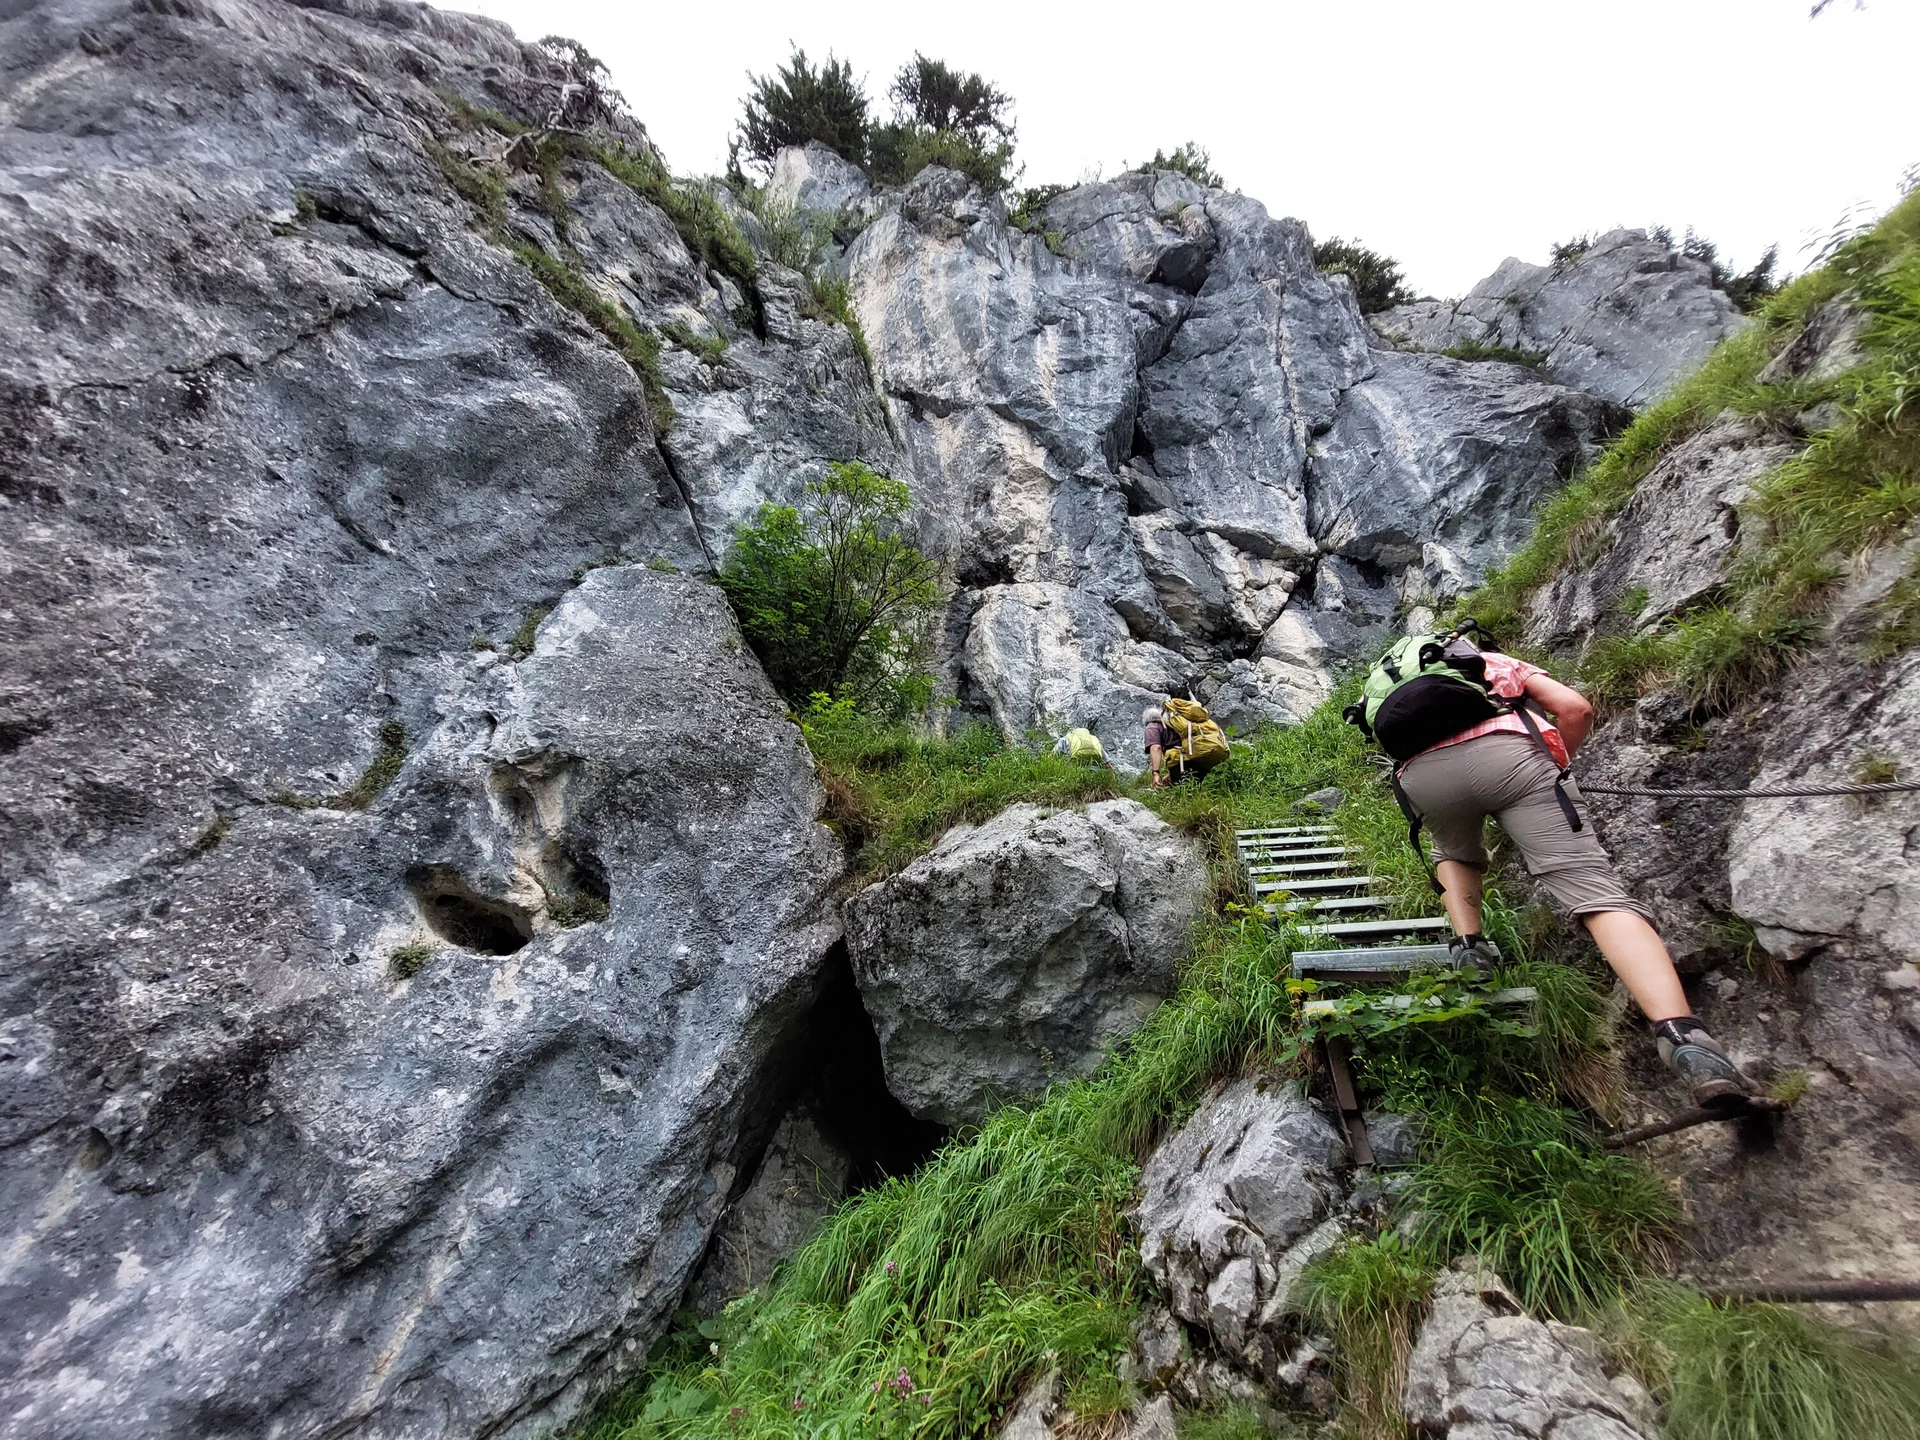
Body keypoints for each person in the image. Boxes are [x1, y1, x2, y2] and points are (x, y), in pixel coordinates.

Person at [1393, 649, 1759, 1112]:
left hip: (1423, 776)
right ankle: (1685, 1038)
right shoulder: (1489, 661)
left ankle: (1470, 947)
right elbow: (1575, 708)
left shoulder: (1395, 683)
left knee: (1452, 851)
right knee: (1595, 894)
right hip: (1510, 759)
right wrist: (1555, 767)